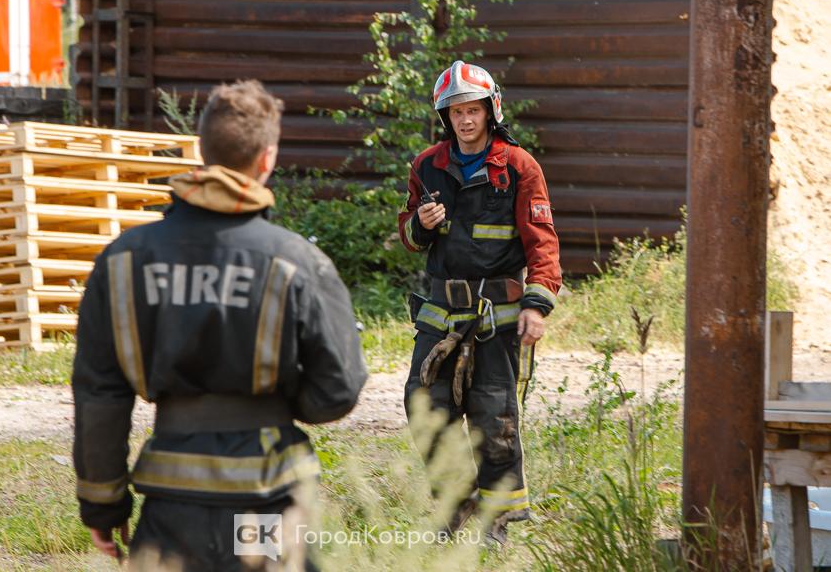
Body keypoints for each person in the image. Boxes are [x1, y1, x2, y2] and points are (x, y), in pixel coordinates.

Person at [72, 79, 367, 571]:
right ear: (267, 159)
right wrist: (276, 402)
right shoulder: (294, 261)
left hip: (170, 509)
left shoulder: (123, 260)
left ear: (201, 150)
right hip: (264, 506)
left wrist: (103, 504)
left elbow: (100, 393)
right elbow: (338, 389)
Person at [398, 60, 561, 545]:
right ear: (445, 117)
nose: (466, 119)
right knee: (424, 403)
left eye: (473, 110)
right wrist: (421, 224)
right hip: (441, 313)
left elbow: (543, 241)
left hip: (497, 314)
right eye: (456, 112)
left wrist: (537, 303)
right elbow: (409, 236)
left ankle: (497, 523)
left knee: (495, 417)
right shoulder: (427, 165)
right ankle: (456, 504)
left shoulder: (519, 166)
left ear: (491, 111)